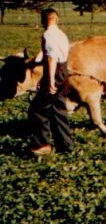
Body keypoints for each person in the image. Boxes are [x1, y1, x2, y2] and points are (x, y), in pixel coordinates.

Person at [28, 8, 73, 156]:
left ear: (43, 20)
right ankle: (65, 145)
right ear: (57, 19)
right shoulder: (61, 34)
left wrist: (51, 81)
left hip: (55, 73)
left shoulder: (48, 34)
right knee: (58, 109)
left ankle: (42, 144)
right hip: (63, 71)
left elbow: (51, 58)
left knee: (37, 110)